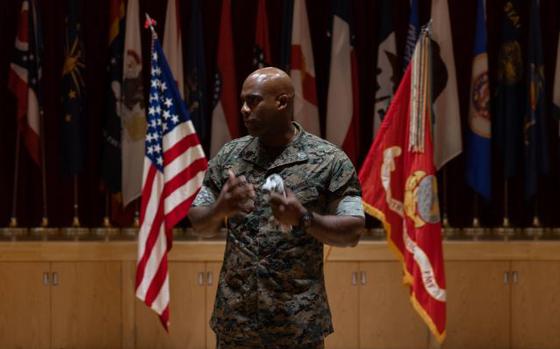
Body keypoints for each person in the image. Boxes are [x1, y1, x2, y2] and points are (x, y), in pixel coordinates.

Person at [188, 67, 365, 349]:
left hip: (298, 323)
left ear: (282, 102)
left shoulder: (329, 160)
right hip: (236, 322)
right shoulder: (230, 156)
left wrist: (304, 218)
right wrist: (219, 210)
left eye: (254, 101)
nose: (245, 109)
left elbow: (353, 230)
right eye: (243, 101)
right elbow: (199, 222)